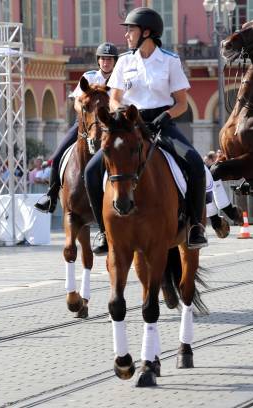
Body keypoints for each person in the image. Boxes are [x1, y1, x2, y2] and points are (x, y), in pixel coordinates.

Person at [84, 7, 208, 255]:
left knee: (194, 162)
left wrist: (166, 116)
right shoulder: (125, 62)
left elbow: (182, 102)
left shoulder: (170, 61)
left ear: (147, 32)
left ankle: (195, 225)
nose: (127, 34)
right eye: (127, 30)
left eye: (131, 29)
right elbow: (115, 98)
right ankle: (103, 230)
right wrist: (124, 113)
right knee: (90, 170)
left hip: (162, 122)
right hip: (130, 124)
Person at [34, 42, 119, 214]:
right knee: (58, 156)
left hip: (111, 126)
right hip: (85, 124)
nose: (106, 62)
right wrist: (85, 116)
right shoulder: (89, 76)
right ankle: (50, 196)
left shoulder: (120, 80)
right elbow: (76, 103)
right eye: (103, 58)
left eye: (109, 59)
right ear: (98, 61)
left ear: (114, 61)